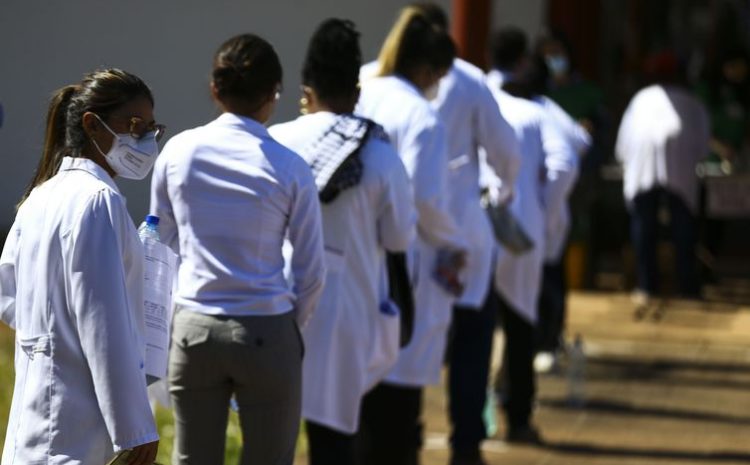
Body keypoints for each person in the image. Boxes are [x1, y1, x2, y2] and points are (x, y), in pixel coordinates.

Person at [149, 33, 325, 465]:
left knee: (192, 458)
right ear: (273, 95)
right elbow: (311, 270)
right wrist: (290, 328)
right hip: (267, 326)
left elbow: (159, 242)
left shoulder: (178, 152)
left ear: (215, 88)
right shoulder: (289, 166)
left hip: (194, 327)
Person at [269, 18, 416, 465]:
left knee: (272, 436)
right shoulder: (379, 154)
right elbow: (399, 238)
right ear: (356, 92)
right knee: (334, 442)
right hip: (346, 313)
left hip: (274, 307)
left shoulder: (274, 142)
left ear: (304, 89)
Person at [0, 69, 162, 465]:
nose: (144, 140)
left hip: (35, 420)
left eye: (152, 130)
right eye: (135, 125)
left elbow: (8, 299)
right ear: (92, 124)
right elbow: (102, 324)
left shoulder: (39, 196)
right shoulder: (97, 200)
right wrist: (135, 428)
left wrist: (49, 338)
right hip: (72, 429)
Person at [382, 4, 521, 465]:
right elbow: (507, 152)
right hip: (455, 234)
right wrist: (505, 191)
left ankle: (407, 435)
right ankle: (465, 445)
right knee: (470, 342)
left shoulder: (372, 80)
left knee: (401, 348)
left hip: (394, 241)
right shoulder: (466, 80)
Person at [356, 7, 467, 465]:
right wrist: (453, 241)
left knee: (354, 398)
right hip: (400, 263)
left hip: (350, 254)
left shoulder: (361, 87)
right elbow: (424, 201)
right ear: (427, 70)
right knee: (397, 400)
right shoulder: (421, 115)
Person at [485, 26, 578, 444]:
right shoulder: (537, 112)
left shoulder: (473, 99)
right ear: (524, 61)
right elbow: (565, 163)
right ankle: (518, 418)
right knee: (520, 324)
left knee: (474, 330)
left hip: (477, 224)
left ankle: (470, 424)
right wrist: (545, 212)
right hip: (521, 229)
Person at [615, 52, 710, 305]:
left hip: (644, 169)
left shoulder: (641, 99)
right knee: (681, 226)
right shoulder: (691, 102)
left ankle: (648, 285)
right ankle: (686, 286)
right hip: (679, 169)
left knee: (646, 226)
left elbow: (622, 145)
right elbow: (703, 148)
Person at [525, 55, 591, 372]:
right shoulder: (546, 110)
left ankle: (547, 341)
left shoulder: (541, 110)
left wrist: (547, 202)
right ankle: (543, 341)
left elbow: (572, 154)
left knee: (546, 280)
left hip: (542, 209)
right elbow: (580, 142)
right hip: (544, 209)